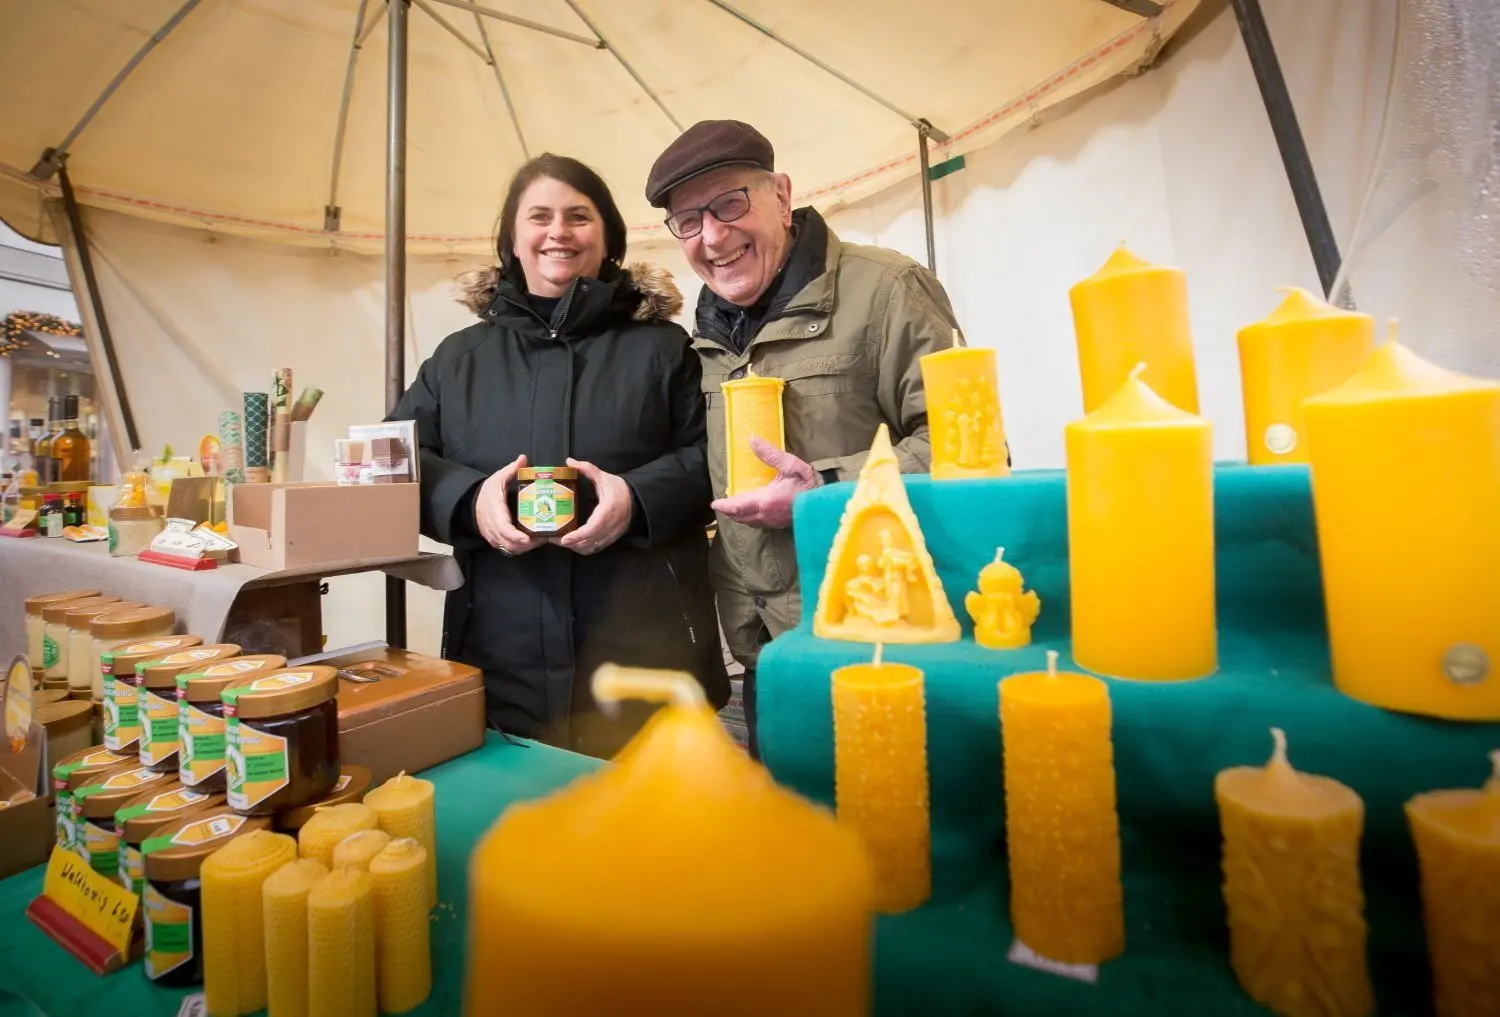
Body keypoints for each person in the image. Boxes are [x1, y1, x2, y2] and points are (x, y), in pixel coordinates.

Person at [646, 120, 982, 757]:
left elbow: (968, 450)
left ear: (781, 195)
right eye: (688, 221)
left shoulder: (888, 289)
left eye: (729, 204)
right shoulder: (702, 334)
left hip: (877, 641)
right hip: (764, 652)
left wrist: (824, 489)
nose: (712, 236)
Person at [390, 153, 728, 759]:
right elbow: (396, 459)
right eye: (539, 217)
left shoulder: (664, 348)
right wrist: (469, 500)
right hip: (500, 654)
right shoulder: (458, 359)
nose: (558, 232)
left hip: (647, 658)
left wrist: (637, 498)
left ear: (608, 237)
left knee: (653, 811)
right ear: (512, 239)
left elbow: (718, 456)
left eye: (578, 216)